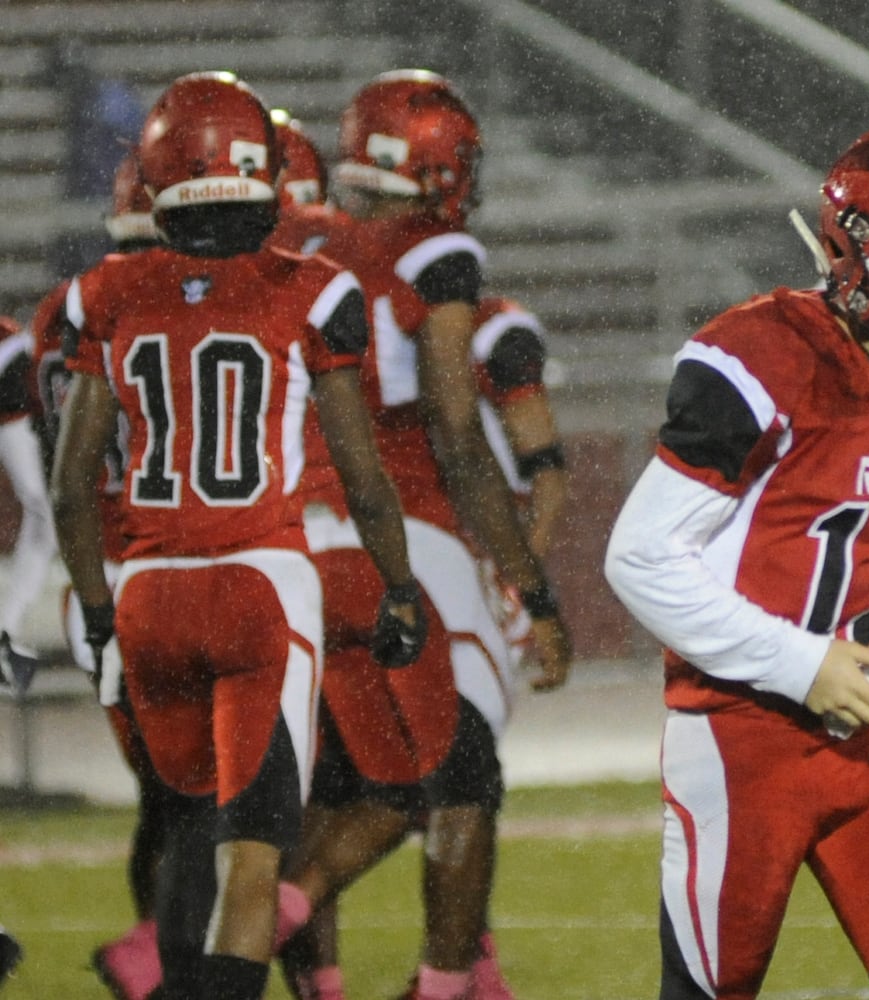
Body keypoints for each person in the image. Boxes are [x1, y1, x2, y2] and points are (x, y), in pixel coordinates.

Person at [605, 121, 869, 1000]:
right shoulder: (768, 355)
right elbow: (639, 556)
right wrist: (803, 662)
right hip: (739, 731)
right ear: (856, 249)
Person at [50, 71, 425, 1000]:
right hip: (260, 586)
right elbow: (365, 477)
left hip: (146, 591)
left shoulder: (107, 291)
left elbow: (71, 484)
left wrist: (98, 615)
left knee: (181, 823)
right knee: (255, 855)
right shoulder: (307, 291)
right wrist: (401, 585)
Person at [258, 71, 573, 1000]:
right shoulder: (429, 256)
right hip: (402, 537)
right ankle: (443, 985)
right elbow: (458, 434)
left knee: (349, 790)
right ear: (439, 165)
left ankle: (250, 951)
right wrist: (531, 588)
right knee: (459, 780)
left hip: (280, 545)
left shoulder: (285, 242)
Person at [30, 147, 213, 1000]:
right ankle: (171, 962)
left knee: (168, 794)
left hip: (95, 573)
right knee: (208, 800)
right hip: (162, 562)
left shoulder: (60, 311)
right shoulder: (169, 304)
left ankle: (160, 952)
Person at [0, 315, 56, 696]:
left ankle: (6, 627)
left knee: (44, 523)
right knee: (43, 521)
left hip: (16, 409)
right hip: (14, 410)